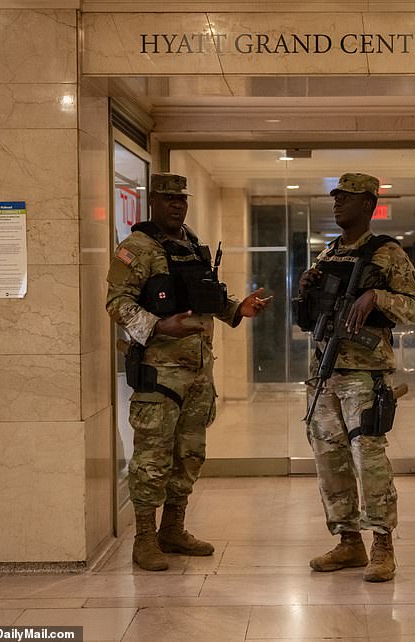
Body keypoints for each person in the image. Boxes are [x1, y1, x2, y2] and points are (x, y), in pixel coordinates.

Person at [106, 172, 272, 571]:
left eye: (181, 199)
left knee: (189, 454)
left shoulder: (192, 246)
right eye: (167, 199)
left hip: (198, 372)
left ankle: (173, 529)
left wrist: (236, 309)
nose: (176, 205)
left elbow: (204, 299)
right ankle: (144, 538)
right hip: (159, 376)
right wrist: (160, 326)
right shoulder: (136, 248)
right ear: (153, 203)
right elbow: (116, 303)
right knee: (152, 457)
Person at [297, 173, 415, 582]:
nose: (337, 204)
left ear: (368, 204)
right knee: (329, 461)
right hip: (324, 374)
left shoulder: (387, 254)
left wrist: (378, 297)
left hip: (365, 376)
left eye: (347, 198)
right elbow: (309, 316)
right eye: (335, 198)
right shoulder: (328, 254)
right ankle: (348, 541)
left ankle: (382, 545)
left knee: (368, 461)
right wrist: (306, 290)